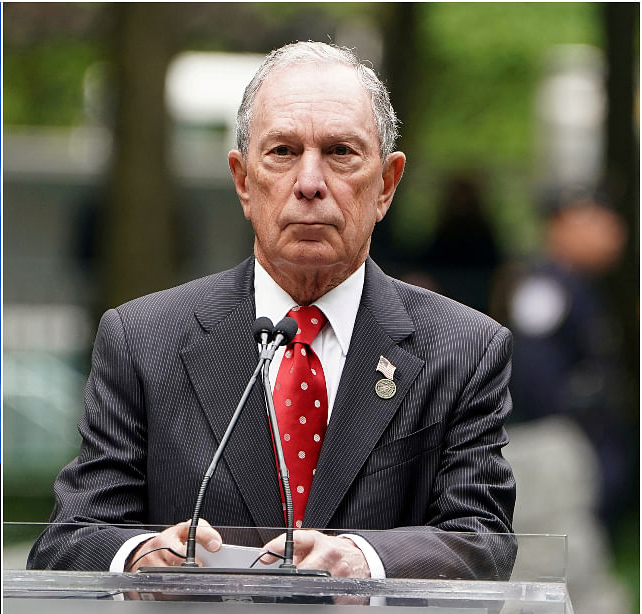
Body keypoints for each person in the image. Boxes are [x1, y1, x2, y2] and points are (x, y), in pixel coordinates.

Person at [27, 41, 516, 581]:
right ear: (242, 180)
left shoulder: (463, 348)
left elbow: (482, 540)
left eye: (340, 153)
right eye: (283, 152)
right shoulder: (145, 340)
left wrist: (365, 559)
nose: (309, 183)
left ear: (386, 185)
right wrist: (140, 555)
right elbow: (70, 539)